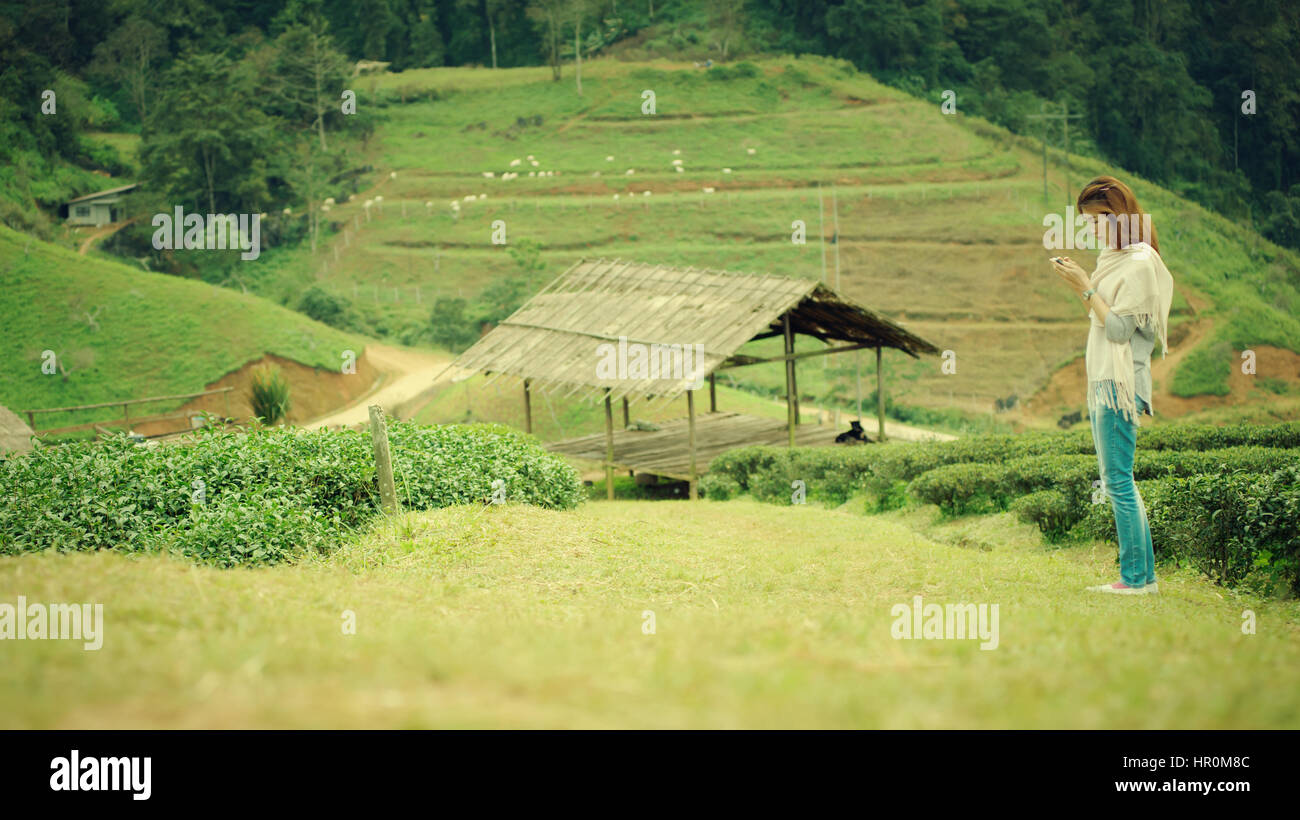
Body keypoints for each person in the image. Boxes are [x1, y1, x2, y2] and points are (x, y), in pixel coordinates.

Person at [1050, 176, 1174, 595]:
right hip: (1107, 381)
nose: (1094, 228)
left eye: (1100, 219)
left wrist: (1084, 287)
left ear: (1121, 216)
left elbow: (1119, 330)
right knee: (1119, 478)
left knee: (1118, 480)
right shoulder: (1115, 258)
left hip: (1120, 383)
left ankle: (1136, 581)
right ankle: (1143, 578)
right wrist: (1085, 285)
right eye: (1088, 221)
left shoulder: (1139, 263)